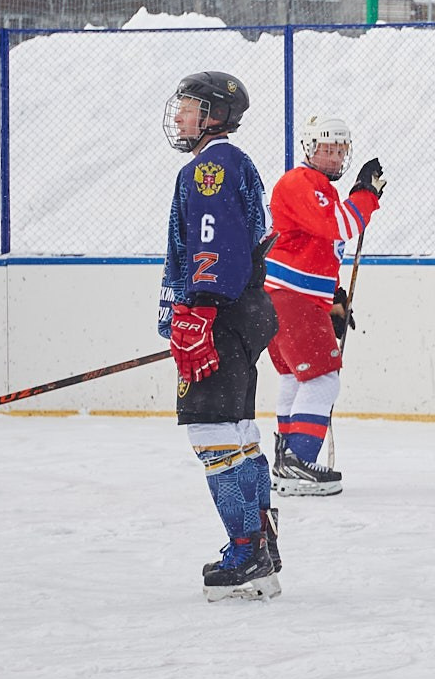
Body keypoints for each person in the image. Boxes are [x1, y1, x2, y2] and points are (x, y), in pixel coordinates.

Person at [159, 71, 283, 600]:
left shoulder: (208, 168)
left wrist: (198, 312)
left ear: (213, 115)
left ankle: (245, 548)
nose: (180, 116)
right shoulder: (233, 162)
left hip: (220, 312)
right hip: (243, 309)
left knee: (211, 434)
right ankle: (261, 544)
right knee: (237, 430)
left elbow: (216, 241)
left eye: (189, 107)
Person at [263, 113, 384, 496]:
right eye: (326, 149)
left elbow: (315, 247)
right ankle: (298, 461)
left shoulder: (318, 187)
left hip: (289, 298)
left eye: (339, 150)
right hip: (291, 298)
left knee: (293, 378)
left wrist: (330, 297)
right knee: (322, 379)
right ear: (310, 149)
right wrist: (365, 194)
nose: (333, 158)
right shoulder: (302, 182)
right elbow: (341, 226)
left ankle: (286, 460)